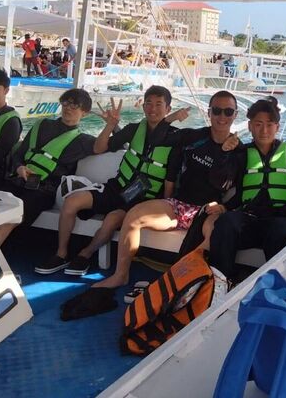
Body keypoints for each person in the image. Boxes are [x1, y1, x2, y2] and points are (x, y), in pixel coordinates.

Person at [89, 90, 242, 289]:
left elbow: (235, 189)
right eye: (217, 111)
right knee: (133, 216)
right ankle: (121, 275)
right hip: (178, 205)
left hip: (207, 210)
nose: (222, 116)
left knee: (216, 234)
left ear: (235, 115)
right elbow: (156, 139)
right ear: (209, 112)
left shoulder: (240, 151)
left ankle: (188, 286)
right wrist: (170, 118)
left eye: (228, 112)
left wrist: (224, 206)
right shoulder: (194, 136)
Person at [34, 85, 181, 276]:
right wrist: (110, 125)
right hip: (117, 187)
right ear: (143, 106)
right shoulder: (133, 129)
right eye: (148, 103)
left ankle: (85, 254)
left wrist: (165, 205)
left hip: (144, 199)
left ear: (168, 109)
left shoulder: (175, 139)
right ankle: (61, 254)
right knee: (72, 201)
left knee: (112, 219)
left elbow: (170, 179)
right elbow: (101, 147)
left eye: (159, 104)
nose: (153, 108)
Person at [208, 97, 286, 282]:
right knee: (226, 222)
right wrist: (224, 153)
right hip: (249, 220)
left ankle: (275, 284)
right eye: (258, 124)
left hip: (279, 221)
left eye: (269, 124)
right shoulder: (241, 154)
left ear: (277, 127)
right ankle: (220, 281)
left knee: (281, 228)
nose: (264, 130)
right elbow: (221, 183)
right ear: (250, 126)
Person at [0, 89, 98, 245]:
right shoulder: (42, 125)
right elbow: (19, 154)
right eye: (65, 103)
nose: (68, 108)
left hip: (44, 191)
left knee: (11, 218)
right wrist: (19, 167)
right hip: (18, 180)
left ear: (84, 112)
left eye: (74, 106)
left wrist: (112, 125)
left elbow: (115, 144)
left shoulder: (83, 141)